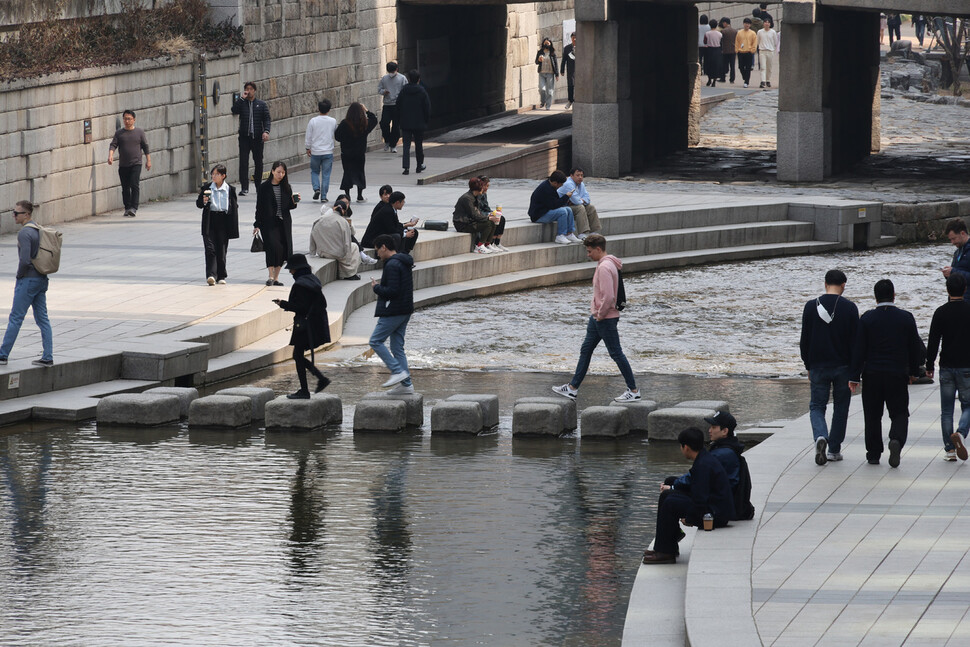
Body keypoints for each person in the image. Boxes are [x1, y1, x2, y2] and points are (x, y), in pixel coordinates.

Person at [552, 234, 640, 402]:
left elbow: (608, 297)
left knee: (616, 353)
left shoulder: (604, 268)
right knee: (586, 350)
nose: (588, 254)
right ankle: (572, 388)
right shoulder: (609, 264)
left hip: (604, 318)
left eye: (590, 251)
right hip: (598, 318)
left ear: (598, 249)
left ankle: (633, 390)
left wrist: (599, 315)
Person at [849, 279, 923, 468]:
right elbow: (915, 347)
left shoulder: (867, 318)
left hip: (872, 373)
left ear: (875, 297)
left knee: (872, 415)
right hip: (897, 373)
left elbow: (859, 349)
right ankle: (896, 439)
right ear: (894, 295)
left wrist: (854, 376)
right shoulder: (906, 318)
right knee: (899, 413)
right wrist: (914, 371)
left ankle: (873, 454)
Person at [641, 427, 735, 564]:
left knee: (670, 502)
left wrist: (691, 518)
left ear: (686, 447)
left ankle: (666, 553)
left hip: (714, 515)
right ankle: (666, 545)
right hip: (712, 506)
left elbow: (700, 499)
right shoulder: (703, 458)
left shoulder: (703, 465)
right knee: (668, 492)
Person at [800, 269, 859, 464]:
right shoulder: (850, 308)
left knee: (817, 406)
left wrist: (808, 364)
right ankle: (834, 450)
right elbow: (855, 343)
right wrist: (855, 372)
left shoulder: (810, 306)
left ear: (825, 284)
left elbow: (805, 340)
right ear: (843, 285)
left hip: (817, 365)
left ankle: (820, 436)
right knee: (841, 407)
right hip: (843, 366)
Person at [662, 412, 754, 521]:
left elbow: (697, 477)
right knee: (671, 481)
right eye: (710, 427)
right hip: (719, 494)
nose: (710, 430)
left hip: (721, 504)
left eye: (714, 427)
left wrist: (673, 487)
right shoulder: (724, 448)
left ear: (725, 431)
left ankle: (671, 533)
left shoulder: (722, 454)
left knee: (668, 494)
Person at [0, 201, 54, 367]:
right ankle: (48, 356)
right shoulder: (38, 229)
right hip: (41, 279)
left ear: (27, 215)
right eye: (13, 212)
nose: (14, 215)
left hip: (28, 280)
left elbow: (24, 260)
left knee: (16, 317)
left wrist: (19, 276)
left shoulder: (24, 233)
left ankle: (2, 355)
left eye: (17, 213)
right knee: (43, 319)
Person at [272, 254, 331, 399]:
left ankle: (305, 390)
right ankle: (320, 379)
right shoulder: (313, 280)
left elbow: (301, 307)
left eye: (291, 269)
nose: (290, 272)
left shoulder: (300, 285)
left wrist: (283, 304)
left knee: (297, 355)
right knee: (297, 355)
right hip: (316, 323)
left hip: (305, 325)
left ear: (296, 269)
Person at [925, 274, 970, 461]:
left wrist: (929, 366)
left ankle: (950, 450)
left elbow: (933, 341)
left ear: (947, 290)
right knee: (968, 405)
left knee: (946, 410)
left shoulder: (940, 312)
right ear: (965, 289)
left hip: (946, 366)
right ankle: (960, 432)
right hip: (967, 366)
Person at [369, 234, 415, 394]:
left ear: (384, 247)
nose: (377, 254)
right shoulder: (403, 261)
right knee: (397, 348)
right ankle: (406, 385)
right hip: (405, 309)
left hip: (393, 310)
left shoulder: (392, 265)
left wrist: (376, 288)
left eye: (377, 250)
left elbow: (393, 291)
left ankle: (397, 371)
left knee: (375, 341)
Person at [254, 161, 299, 287]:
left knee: (281, 249)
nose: (280, 175)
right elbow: (259, 207)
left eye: (283, 172)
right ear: (272, 171)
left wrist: (295, 202)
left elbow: (290, 207)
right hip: (268, 223)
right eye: (278, 172)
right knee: (271, 247)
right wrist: (256, 224)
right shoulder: (264, 188)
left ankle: (276, 277)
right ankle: (270, 275)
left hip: (283, 223)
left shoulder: (287, 187)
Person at [196, 164, 239, 286]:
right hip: (210, 219)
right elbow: (198, 204)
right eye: (213, 174)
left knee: (221, 249)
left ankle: (221, 275)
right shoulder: (207, 188)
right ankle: (211, 275)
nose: (214, 176)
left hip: (224, 220)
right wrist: (203, 201)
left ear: (223, 176)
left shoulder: (230, 189)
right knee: (210, 249)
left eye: (217, 174)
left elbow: (234, 206)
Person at [107, 110, 151, 218]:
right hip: (123, 165)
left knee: (134, 185)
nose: (127, 121)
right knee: (125, 187)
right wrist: (110, 155)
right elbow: (113, 145)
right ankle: (127, 208)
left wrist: (148, 160)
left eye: (129, 119)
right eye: (125, 119)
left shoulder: (139, 132)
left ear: (134, 120)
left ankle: (134, 208)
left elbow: (145, 147)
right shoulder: (119, 133)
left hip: (136, 163)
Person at [230, 81, 271, 196]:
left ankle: (258, 185)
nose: (249, 91)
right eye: (247, 89)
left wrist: (266, 131)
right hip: (244, 137)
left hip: (257, 137)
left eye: (251, 89)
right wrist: (241, 99)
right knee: (243, 162)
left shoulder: (261, 104)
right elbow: (234, 110)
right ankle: (244, 187)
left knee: (258, 162)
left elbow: (267, 119)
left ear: (255, 91)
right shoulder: (242, 103)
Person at [334, 102, 378, 203]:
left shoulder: (345, 123)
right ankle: (359, 196)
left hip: (346, 153)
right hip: (359, 153)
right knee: (359, 172)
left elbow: (337, 136)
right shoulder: (364, 123)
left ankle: (347, 195)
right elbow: (374, 120)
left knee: (347, 173)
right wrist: (366, 110)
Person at [309, 200, 361, 280]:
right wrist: (348, 261)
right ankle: (350, 273)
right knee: (354, 246)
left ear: (333, 208)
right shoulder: (343, 222)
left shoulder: (319, 219)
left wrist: (312, 251)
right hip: (336, 253)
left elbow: (312, 235)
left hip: (322, 252)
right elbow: (347, 242)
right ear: (344, 211)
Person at [528, 170, 580, 245]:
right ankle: (560, 235)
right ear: (555, 183)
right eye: (561, 184)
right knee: (562, 212)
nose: (561, 186)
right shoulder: (546, 189)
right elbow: (554, 205)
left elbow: (555, 202)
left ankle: (569, 233)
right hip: (539, 215)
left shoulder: (550, 186)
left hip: (546, 211)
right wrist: (566, 197)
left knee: (568, 209)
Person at [361, 191, 419, 256]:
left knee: (413, 232)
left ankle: (404, 255)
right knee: (397, 236)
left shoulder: (392, 209)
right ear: (397, 202)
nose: (403, 203)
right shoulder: (387, 211)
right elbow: (391, 229)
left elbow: (395, 224)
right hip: (373, 240)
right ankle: (396, 257)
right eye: (403, 202)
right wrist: (405, 234)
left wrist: (408, 225)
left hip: (384, 233)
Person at [397, 69, 431, 175]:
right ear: (419, 79)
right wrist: (426, 120)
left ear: (408, 79)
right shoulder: (422, 91)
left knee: (406, 146)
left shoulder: (403, 91)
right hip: (419, 122)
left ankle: (406, 168)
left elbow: (398, 105)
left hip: (406, 122)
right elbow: (427, 107)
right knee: (418, 145)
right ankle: (419, 166)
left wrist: (400, 118)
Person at [453, 177, 498, 254]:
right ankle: (479, 246)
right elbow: (474, 215)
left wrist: (490, 216)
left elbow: (477, 213)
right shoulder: (467, 198)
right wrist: (488, 218)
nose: (484, 189)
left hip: (470, 221)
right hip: (463, 224)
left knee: (493, 222)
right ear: (478, 188)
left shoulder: (474, 197)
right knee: (488, 224)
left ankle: (487, 244)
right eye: (482, 187)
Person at [305, 99, 337, 203]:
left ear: (318, 109)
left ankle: (316, 188)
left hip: (316, 151)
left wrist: (308, 147)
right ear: (329, 109)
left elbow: (308, 136)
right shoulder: (333, 121)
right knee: (326, 174)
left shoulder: (313, 121)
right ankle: (323, 196)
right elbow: (335, 134)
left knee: (314, 171)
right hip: (328, 151)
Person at [558, 167, 601, 239]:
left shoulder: (581, 184)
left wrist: (581, 200)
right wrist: (581, 200)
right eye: (577, 175)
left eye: (581, 175)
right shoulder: (568, 184)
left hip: (573, 205)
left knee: (591, 207)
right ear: (571, 176)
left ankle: (593, 231)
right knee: (580, 208)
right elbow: (577, 201)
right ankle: (582, 233)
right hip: (563, 207)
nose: (580, 177)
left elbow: (587, 198)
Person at [377, 62, 408, 153]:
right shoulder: (384, 78)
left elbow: (405, 91)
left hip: (397, 105)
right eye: (390, 71)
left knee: (395, 126)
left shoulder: (402, 78)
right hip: (387, 104)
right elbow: (379, 89)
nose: (391, 73)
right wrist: (384, 91)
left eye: (393, 71)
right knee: (384, 123)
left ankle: (393, 145)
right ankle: (387, 140)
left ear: (397, 70)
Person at [475, 176, 509, 252]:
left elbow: (486, 207)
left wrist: (492, 212)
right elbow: (477, 210)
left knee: (501, 218)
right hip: (480, 216)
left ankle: (497, 243)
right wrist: (488, 215)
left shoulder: (484, 194)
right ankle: (490, 242)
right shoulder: (477, 195)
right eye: (486, 186)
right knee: (493, 220)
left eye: (488, 186)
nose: (487, 188)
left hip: (484, 213)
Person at [941, 218, 970, 300]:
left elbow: (958, 273)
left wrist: (953, 272)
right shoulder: (957, 252)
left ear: (963, 233)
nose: (952, 242)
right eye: (950, 239)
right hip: (957, 300)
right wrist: (948, 274)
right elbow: (956, 277)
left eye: (954, 238)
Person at [535, 37, 559, 110]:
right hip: (542, 73)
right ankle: (543, 101)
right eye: (545, 43)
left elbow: (555, 64)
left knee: (550, 91)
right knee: (542, 89)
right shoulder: (540, 52)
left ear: (550, 44)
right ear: (543, 44)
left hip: (550, 73)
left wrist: (557, 74)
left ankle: (548, 106)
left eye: (548, 43)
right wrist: (539, 60)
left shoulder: (552, 53)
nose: (546, 44)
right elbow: (536, 62)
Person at [736, 18, 757, 88]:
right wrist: (737, 50)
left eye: (748, 24)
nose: (747, 25)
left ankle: (746, 82)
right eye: (745, 23)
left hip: (748, 52)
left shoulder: (753, 33)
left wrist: (753, 50)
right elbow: (737, 42)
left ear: (750, 25)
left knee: (748, 67)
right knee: (741, 67)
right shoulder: (739, 32)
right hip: (741, 52)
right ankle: (744, 77)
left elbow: (754, 42)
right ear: (743, 24)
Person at [757, 18, 778, 89]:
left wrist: (772, 48)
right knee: (763, 67)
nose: (767, 24)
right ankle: (763, 81)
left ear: (770, 24)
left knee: (769, 67)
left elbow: (775, 42)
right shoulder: (760, 32)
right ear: (763, 23)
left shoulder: (773, 32)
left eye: (768, 22)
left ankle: (768, 80)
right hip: (762, 51)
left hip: (770, 51)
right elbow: (758, 41)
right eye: (765, 22)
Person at [703, 20, 722, 87]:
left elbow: (705, 42)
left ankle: (709, 79)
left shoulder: (707, 33)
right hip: (717, 50)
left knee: (709, 65)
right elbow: (721, 42)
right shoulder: (720, 34)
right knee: (716, 66)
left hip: (709, 50)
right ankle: (714, 81)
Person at [560, 32, 577, 109]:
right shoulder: (567, 48)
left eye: (576, 37)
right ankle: (570, 101)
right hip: (570, 71)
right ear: (571, 38)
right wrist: (562, 70)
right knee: (570, 86)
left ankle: (576, 101)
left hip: (580, 71)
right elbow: (564, 60)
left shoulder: (582, 47)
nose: (575, 39)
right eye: (573, 38)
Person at [719, 18, 737, 84]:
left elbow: (721, 41)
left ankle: (723, 78)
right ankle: (732, 79)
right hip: (733, 50)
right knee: (732, 66)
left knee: (724, 65)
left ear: (725, 23)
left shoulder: (723, 31)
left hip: (725, 50)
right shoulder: (735, 31)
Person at [698, 14, 710, 81]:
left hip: (700, 44)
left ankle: (699, 71)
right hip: (707, 44)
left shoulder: (698, 27)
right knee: (706, 58)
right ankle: (705, 70)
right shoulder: (709, 27)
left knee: (700, 58)